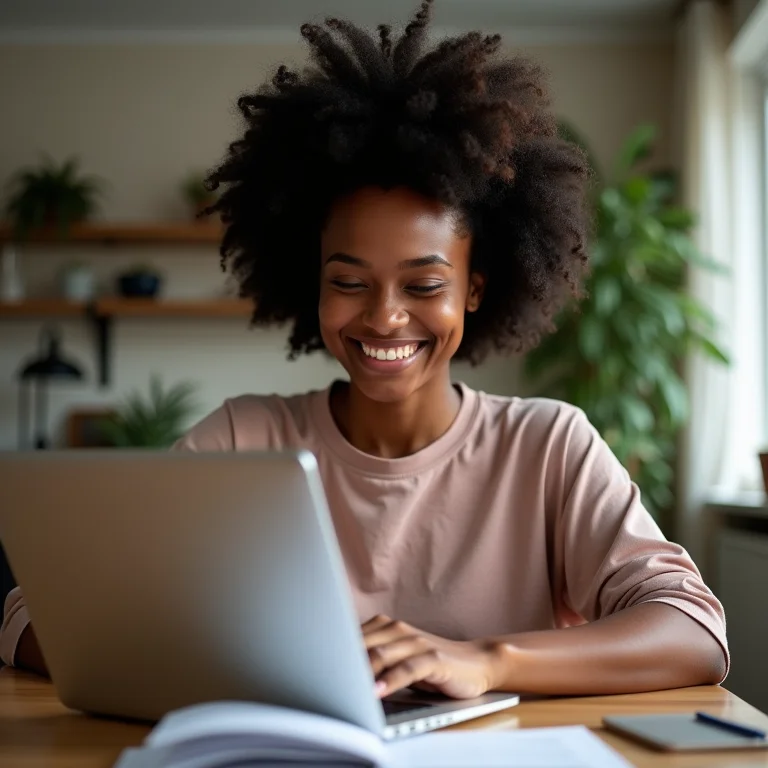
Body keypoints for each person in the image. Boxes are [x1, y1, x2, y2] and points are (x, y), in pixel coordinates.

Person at [1, 0, 728, 697]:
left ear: (475, 288)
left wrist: (487, 660)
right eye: (349, 280)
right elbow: (34, 615)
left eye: (423, 284)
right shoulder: (242, 438)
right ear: (309, 278)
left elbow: (694, 632)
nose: (384, 318)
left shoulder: (547, 447)